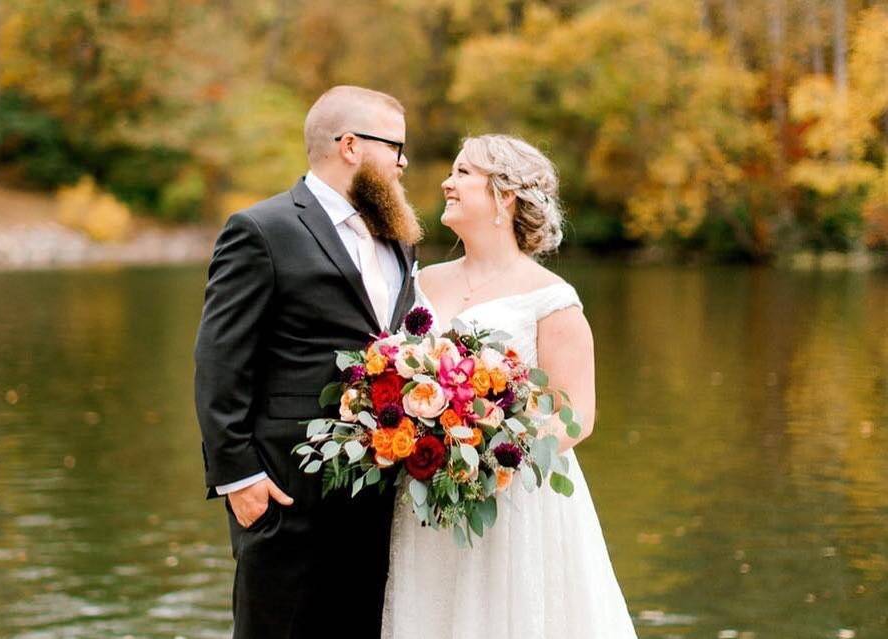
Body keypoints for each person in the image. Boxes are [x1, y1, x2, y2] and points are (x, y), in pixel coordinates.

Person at [382, 134, 638, 638]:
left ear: (504, 196)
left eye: (463, 173)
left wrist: (488, 460)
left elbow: (576, 415)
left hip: (508, 500)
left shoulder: (552, 300)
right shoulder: (419, 281)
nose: (446, 183)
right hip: (426, 493)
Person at [194, 85, 422, 639]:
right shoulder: (262, 229)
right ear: (350, 146)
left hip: (376, 488)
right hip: (284, 489)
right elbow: (220, 361)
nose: (403, 162)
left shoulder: (399, 235)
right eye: (394, 146)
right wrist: (239, 477)